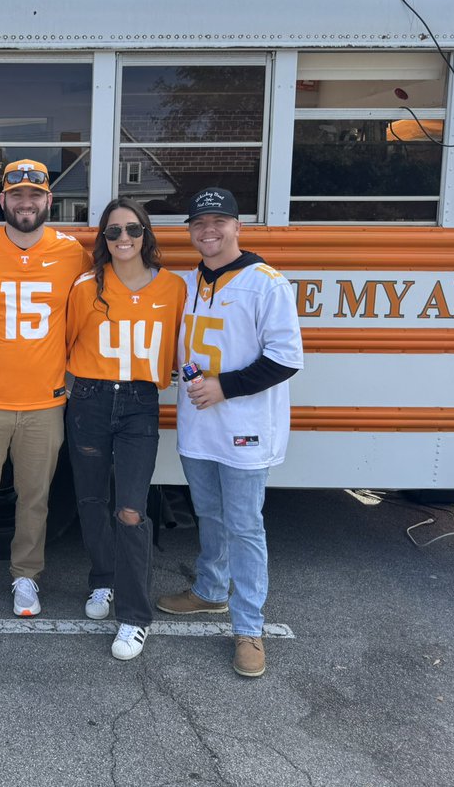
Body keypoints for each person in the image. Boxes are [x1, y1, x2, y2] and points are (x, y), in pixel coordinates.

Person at [156, 187, 303, 678]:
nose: (209, 231)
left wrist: (224, 388)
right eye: (199, 224)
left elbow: (286, 358)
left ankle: (249, 628)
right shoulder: (192, 281)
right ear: (190, 232)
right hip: (199, 429)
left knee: (244, 526)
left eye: (220, 221)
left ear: (238, 226)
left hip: (245, 429)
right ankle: (210, 591)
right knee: (209, 514)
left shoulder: (266, 283)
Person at [0, 160, 89, 619]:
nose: (26, 203)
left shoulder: (73, 253)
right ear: (2, 201)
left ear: (49, 201)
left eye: (35, 195)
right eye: (17, 195)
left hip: (45, 398)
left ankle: (26, 576)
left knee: (35, 496)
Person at [65, 198, 185, 660]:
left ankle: (134, 618)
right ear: (103, 239)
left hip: (140, 402)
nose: (123, 240)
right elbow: (68, 342)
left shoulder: (174, 287)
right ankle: (103, 580)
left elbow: (182, 344)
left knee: (131, 508)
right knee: (91, 499)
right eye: (113, 232)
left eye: (132, 230)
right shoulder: (85, 286)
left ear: (146, 234)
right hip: (91, 400)